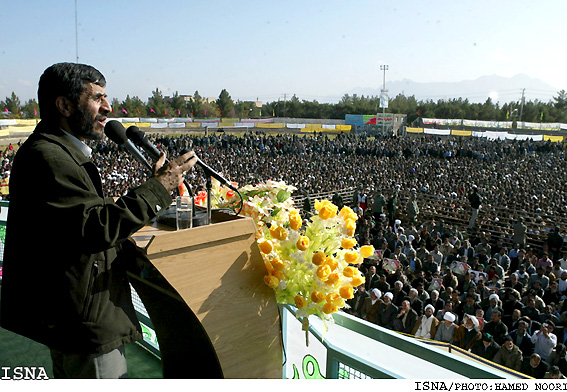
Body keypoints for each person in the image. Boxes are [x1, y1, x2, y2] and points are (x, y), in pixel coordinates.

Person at [0, 63, 198, 379]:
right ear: (64, 105)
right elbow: (96, 229)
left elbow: (79, 218)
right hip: (82, 321)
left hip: (75, 311)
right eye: (97, 97)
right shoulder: (49, 158)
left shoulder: (57, 152)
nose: (108, 108)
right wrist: (159, 187)